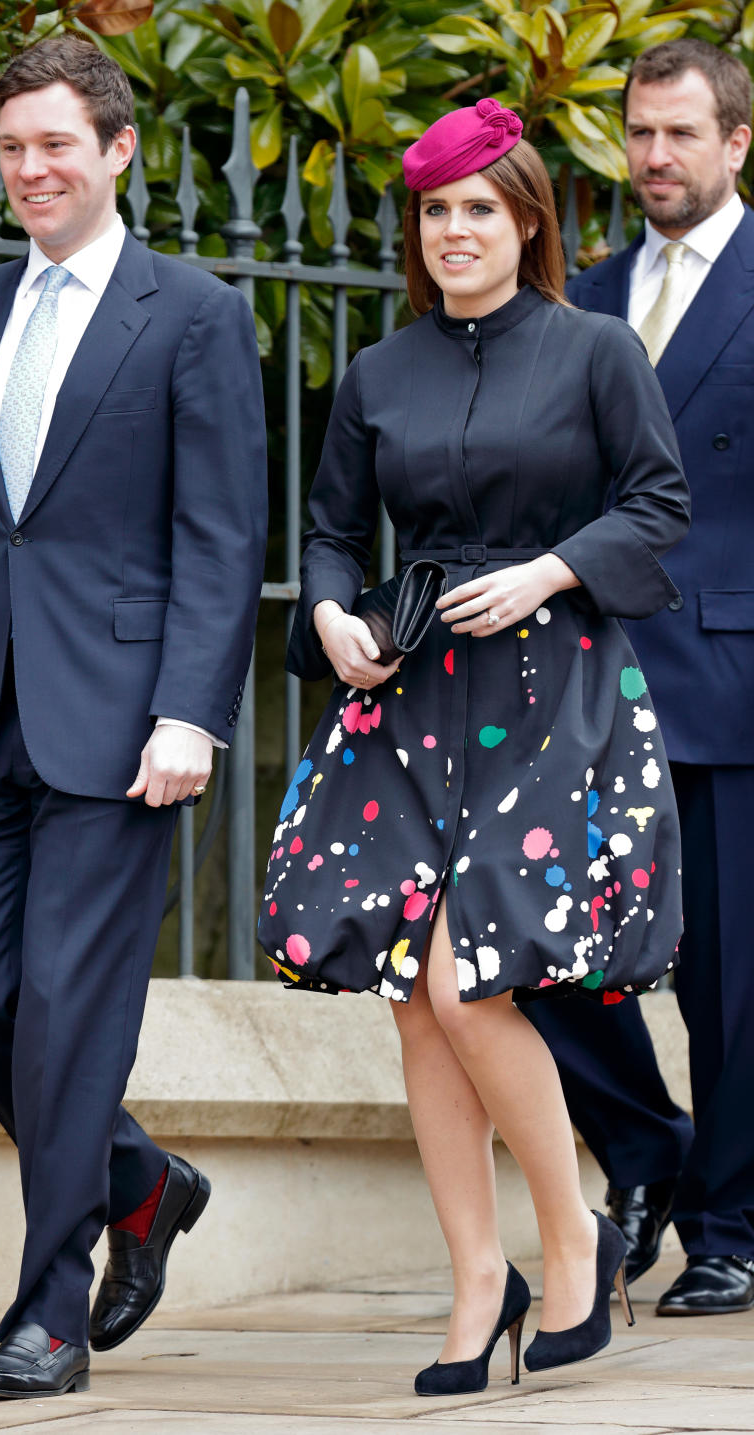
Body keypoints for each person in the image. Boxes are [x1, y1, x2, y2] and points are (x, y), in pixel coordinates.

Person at [0, 35, 267, 1400]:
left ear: (117, 150)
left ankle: (50, 1311)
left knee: (69, 1017)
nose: (31, 169)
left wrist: (191, 711)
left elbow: (219, 536)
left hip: (122, 725)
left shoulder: (192, 311)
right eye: (14, 148)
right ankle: (139, 1178)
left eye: (55, 147)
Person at [258, 98, 691, 1396]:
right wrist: (333, 613)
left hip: (553, 692)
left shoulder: (600, 351)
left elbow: (657, 505)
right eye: (436, 211)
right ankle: (474, 1281)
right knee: (416, 999)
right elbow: (333, 530)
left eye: (479, 210)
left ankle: (572, 1235)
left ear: (527, 222)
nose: (455, 231)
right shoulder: (382, 373)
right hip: (408, 696)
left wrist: (553, 570)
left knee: (469, 978)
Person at [525, 38, 754, 1317]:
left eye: (680, 134)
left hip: (731, 671)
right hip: (586, 681)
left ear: (736, 141)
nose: (655, 158)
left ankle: (730, 1224)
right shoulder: (588, 298)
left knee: (730, 981)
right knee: (540, 948)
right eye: (640, 134)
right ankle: (650, 1146)